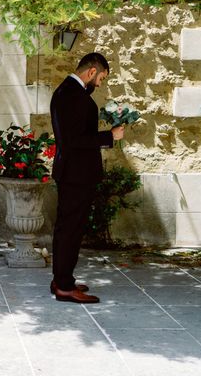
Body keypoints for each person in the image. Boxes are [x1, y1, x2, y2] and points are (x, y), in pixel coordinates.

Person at [49, 53, 124, 304]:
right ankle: (65, 286)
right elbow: (74, 141)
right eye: (101, 78)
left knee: (67, 228)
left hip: (72, 172)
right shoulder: (73, 96)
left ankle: (61, 279)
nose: (100, 84)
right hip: (76, 175)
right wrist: (110, 136)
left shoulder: (68, 91)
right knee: (71, 230)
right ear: (92, 72)